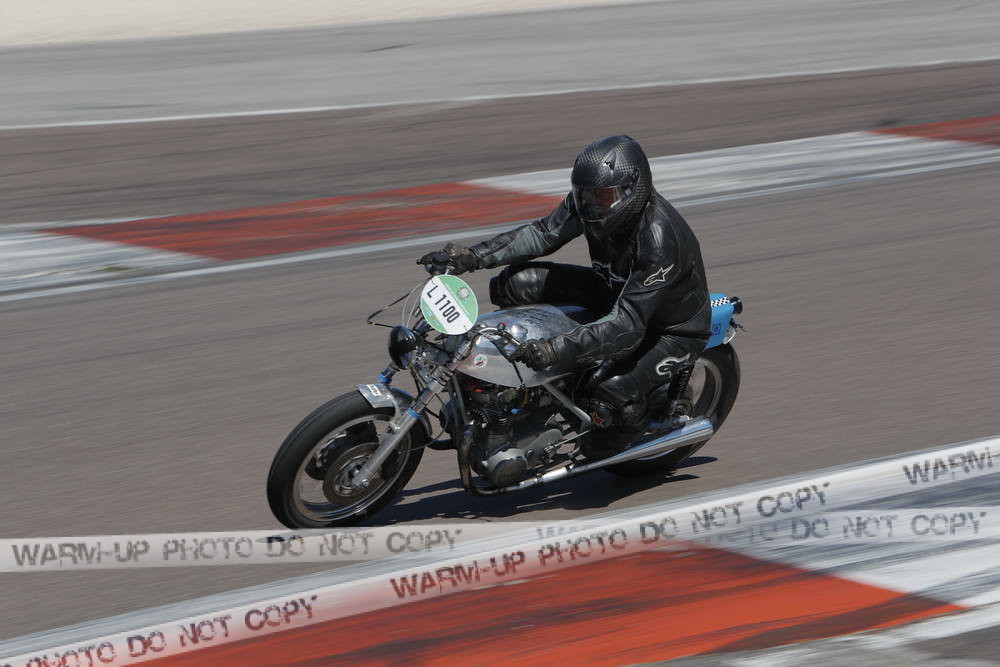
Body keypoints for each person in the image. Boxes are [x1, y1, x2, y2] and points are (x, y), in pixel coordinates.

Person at [417, 135, 710, 446]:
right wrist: (472, 257)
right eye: (585, 195)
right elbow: (543, 233)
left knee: (606, 406)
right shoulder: (590, 204)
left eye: (603, 196)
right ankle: (532, 390)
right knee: (513, 283)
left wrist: (555, 350)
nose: (591, 205)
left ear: (632, 190)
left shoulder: (659, 242)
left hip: (666, 329)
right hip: (611, 291)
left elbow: (627, 326)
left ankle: (640, 432)